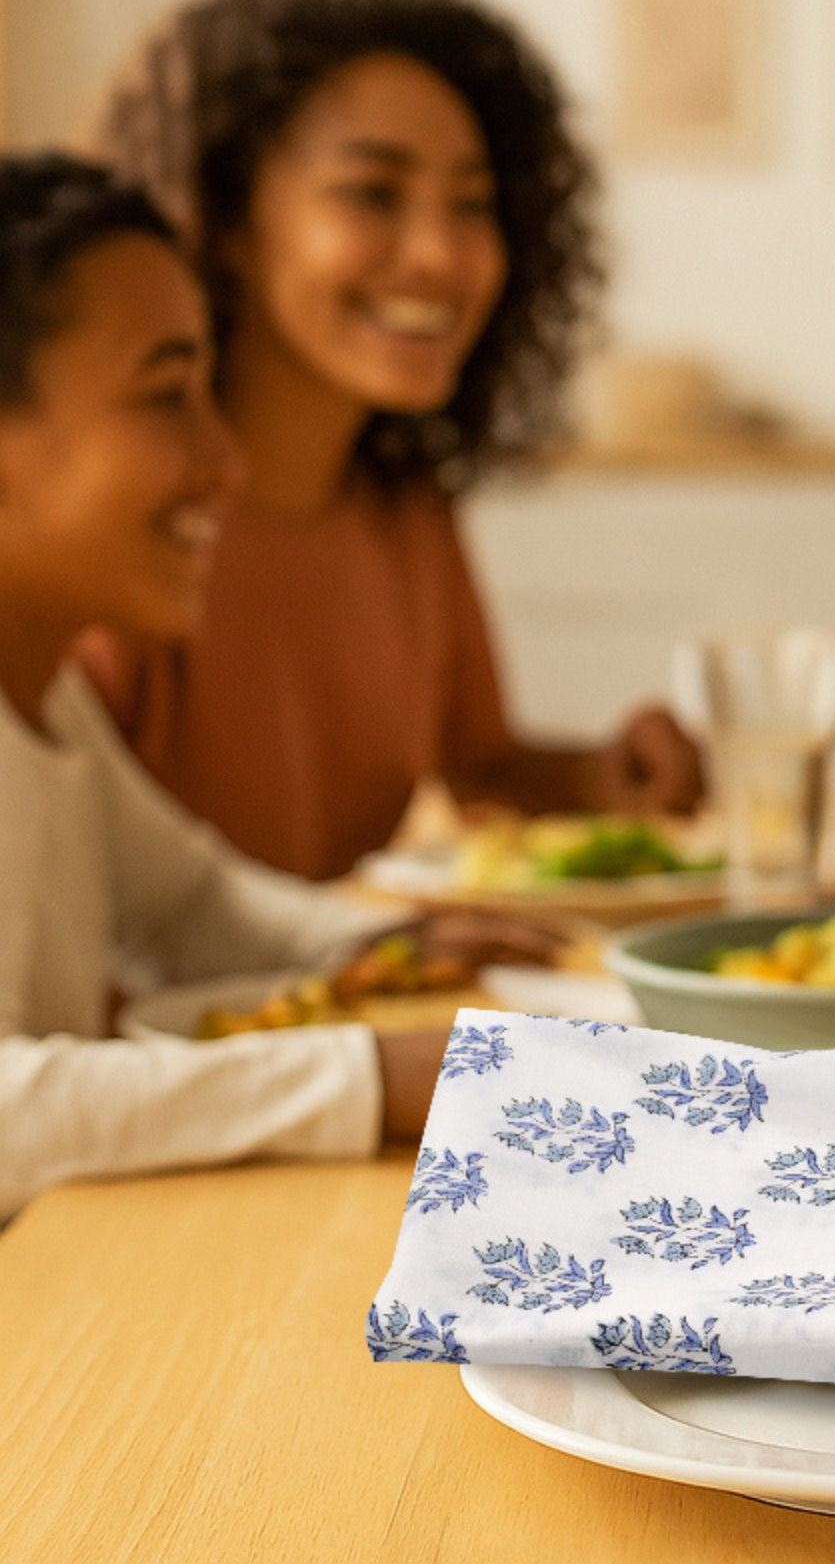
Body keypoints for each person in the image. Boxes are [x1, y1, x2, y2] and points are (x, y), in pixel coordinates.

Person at [0, 154, 546, 1220]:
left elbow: (187, 902)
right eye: (167, 396)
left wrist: (375, 945)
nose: (225, 458)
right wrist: (365, 1077)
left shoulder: (43, 689)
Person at [77, 0, 704, 879]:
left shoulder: (406, 511)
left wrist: (606, 774)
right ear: (226, 221)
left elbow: (480, 769)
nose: (441, 254)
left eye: (473, 205)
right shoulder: (119, 522)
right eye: (372, 193)